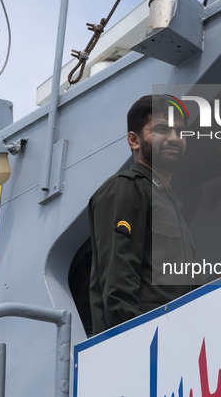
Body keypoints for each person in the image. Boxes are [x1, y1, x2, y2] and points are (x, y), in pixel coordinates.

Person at [88, 94, 195, 335]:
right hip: (143, 345)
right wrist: (135, 339)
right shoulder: (126, 188)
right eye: (161, 129)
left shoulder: (170, 204)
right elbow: (118, 284)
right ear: (134, 140)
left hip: (177, 342)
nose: (174, 138)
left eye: (180, 132)